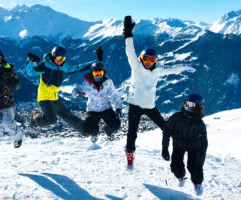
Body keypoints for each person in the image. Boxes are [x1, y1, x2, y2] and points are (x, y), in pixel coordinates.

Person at [123, 16, 196, 166]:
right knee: (132, 132)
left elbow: (172, 70)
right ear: (142, 58)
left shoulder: (157, 71)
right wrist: (128, 35)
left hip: (150, 105)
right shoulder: (135, 66)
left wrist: (184, 67)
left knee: (165, 127)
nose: (149, 62)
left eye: (152, 60)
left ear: (155, 62)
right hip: (135, 105)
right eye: (146, 59)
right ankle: (130, 153)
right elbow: (130, 50)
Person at [25, 46, 94, 135]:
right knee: (51, 120)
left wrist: (95, 64)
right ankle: (35, 117)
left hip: (54, 98)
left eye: (63, 58)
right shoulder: (45, 65)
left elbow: (77, 68)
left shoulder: (63, 66)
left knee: (68, 115)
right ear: (53, 56)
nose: (61, 60)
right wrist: (30, 60)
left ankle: (86, 132)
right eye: (59, 58)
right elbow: (30, 72)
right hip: (44, 98)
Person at [72, 47, 122, 142]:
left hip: (106, 108)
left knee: (116, 125)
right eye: (95, 73)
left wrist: (118, 107)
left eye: (100, 73)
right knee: (88, 129)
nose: (97, 76)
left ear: (104, 73)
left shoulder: (108, 82)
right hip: (92, 109)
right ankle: (94, 133)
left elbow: (115, 95)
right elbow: (75, 90)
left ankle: (107, 129)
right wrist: (77, 94)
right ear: (92, 73)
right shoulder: (87, 83)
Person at [161, 94, 208, 195]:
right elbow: (166, 130)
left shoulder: (199, 124)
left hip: (193, 148)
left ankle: (198, 185)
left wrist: (199, 164)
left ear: (199, 108)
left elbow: (203, 145)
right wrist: (165, 147)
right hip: (178, 145)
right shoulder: (177, 117)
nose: (188, 107)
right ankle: (180, 177)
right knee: (176, 166)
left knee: (193, 167)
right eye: (186, 104)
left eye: (191, 105)